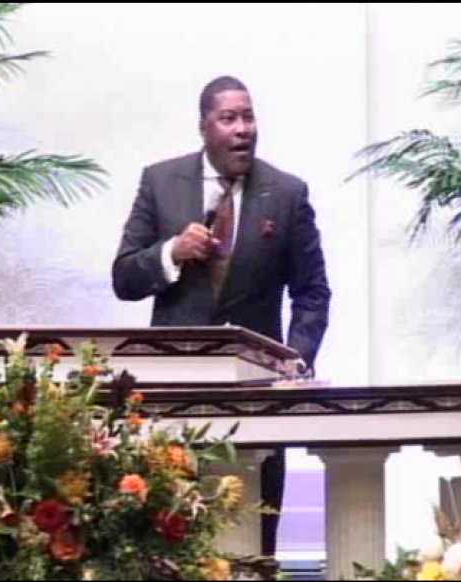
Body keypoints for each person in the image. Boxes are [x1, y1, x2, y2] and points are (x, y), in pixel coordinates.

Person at [111, 75, 331, 557]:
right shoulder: (160, 182)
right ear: (203, 126)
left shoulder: (288, 193)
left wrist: (296, 362)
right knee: (170, 550)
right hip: (173, 402)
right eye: (228, 118)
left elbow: (312, 292)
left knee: (256, 549)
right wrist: (171, 251)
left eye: (248, 117)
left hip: (259, 403)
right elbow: (124, 278)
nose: (242, 129)